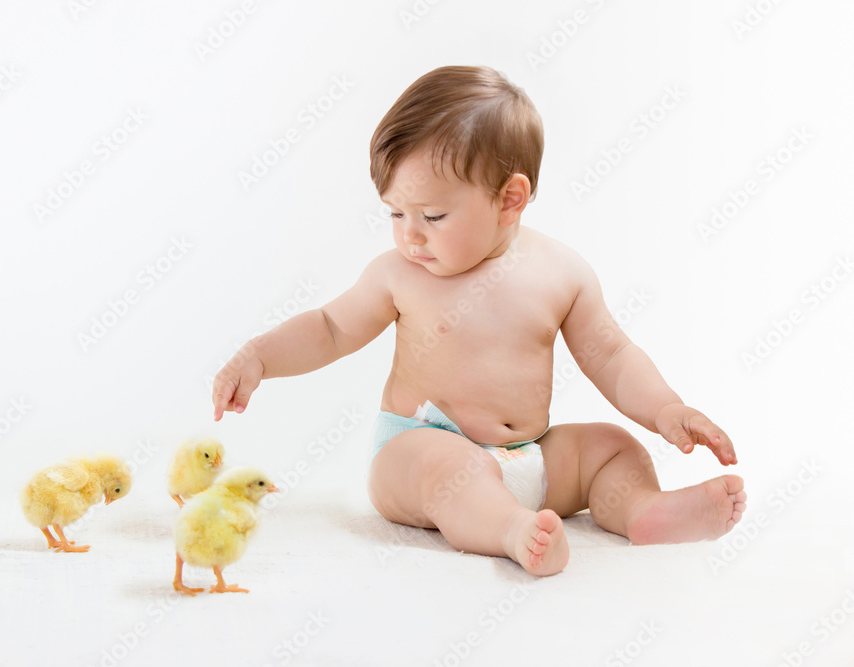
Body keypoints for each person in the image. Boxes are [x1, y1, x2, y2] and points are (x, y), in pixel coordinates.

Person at [211, 65, 746, 576]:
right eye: (396, 213)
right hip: (418, 450)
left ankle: (642, 511)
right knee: (453, 469)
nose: (409, 235)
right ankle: (512, 532)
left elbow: (610, 354)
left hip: (532, 457)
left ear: (509, 199)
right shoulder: (398, 275)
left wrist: (665, 408)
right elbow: (330, 328)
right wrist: (260, 356)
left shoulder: (561, 272)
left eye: (433, 216)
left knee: (611, 446)